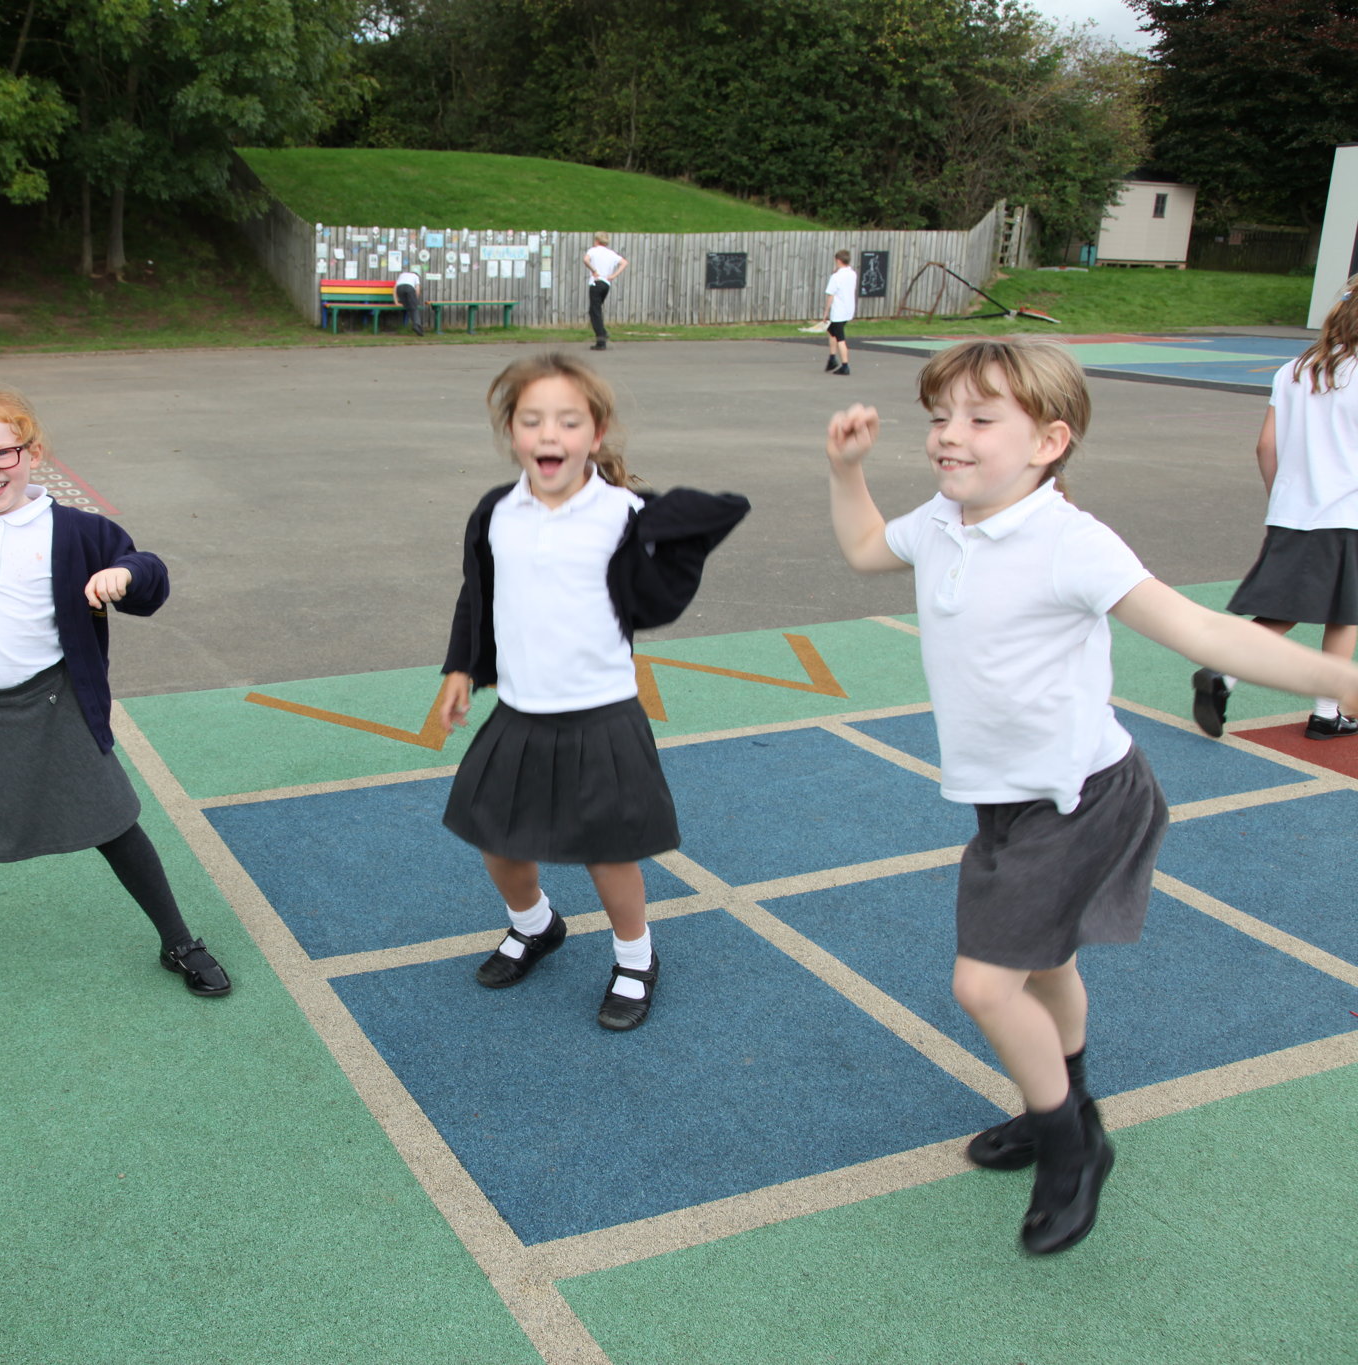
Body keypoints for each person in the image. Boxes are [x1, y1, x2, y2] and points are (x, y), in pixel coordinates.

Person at [823, 337, 1358, 1254]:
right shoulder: (946, 519)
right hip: (1007, 800)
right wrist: (847, 470)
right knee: (1046, 965)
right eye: (940, 416)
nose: (950, 436)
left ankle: (1072, 1143)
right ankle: (1059, 1098)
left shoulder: (1070, 541)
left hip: (1081, 797)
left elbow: (1204, 630)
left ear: (1050, 441)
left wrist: (1337, 679)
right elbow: (870, 548)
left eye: (980, 419)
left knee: (986, 983)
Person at [0, 387, 231, 1002]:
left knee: (115, 825)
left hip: (56, 703)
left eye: (3, 454)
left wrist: (127, 575)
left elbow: (150, 575)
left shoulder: (81, 531)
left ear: (33, 452)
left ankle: (177, 942)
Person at [438, 353, 749, 1030]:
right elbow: (478, 596)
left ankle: (635, 957)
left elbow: (665, 582)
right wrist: (460, 668)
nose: (550, 433)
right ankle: (536, 924)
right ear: (512, 432)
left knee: (608, 852)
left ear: (595, 433)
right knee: (498, 839)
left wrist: (677, 530)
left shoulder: (625, 513)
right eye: (533, 419)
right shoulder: (496, 513)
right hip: (519, 712)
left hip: (601, 715)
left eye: (568, 420)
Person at [1193, 274, 1358, 740]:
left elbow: (1266, 445)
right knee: (1345, 614)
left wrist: (1283, 498)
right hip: (1347, 513)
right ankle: (1327, 712)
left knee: (1284, 611)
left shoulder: (1294, 369)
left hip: (1295, 511)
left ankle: (1226, 675)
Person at [815, 249, 857, 376]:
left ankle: (845, 365)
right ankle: (832, 357)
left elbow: (831, 295)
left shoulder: (836, 277)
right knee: (831, 331)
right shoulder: (852, 274)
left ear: (838, 261)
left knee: (840, 338)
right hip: (848, 309)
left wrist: (825, 312)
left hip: (839, 311)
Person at [583, 232, 627, 351]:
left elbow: (585, 260)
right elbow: (624, 263)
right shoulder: (611, 253)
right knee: (597, 311)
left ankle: (602, 334)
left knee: (594, 311)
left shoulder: (593, 250)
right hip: (606, 284)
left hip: (596, 283)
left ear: (597, 241)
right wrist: (613, 276)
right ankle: (601, 340)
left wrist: (593, 270)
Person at [395, 266, 427, 337]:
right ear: (418, 273)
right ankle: (417, 325)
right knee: (414, 307)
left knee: (409, 307)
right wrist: (415, 300)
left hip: (400, 289)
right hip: (409, 288)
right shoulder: (415, 276)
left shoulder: (402, 274)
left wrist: (396, 301)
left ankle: (416, 325)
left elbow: (395, 288)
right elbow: (417, 290)